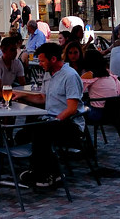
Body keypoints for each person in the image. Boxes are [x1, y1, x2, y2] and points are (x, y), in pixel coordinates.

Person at [15, 42, 86, 189]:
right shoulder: (49, 74)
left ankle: (45, 173)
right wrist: (22, 96)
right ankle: (42, 168)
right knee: (23, 134)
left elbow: (72, 109)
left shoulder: (70, 76)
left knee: (41, 132)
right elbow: (43, 98)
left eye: (41, 60)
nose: (39, 63)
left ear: (53, 59)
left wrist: (55, 120)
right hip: (51, 119)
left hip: (69, 123)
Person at [79, 49, 120, 123]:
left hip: (96, 114)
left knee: (75, 109)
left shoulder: (89, 75)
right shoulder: (110, 75)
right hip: (112, 113)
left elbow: (77, 91)